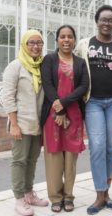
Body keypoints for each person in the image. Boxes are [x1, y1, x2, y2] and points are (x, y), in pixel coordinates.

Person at [73, 5, 112, 215]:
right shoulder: (84, 44)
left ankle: (107, 192)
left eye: (111, 20)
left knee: (111, 147)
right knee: (97, 146)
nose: (106, 23)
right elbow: (73, 68)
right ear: (96, 21)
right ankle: (99, 195)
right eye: (103, 19)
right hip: (93, 102)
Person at [40, 25, 89, 213]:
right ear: (57, 40)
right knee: (53, 158)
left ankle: (68, 197)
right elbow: (48, 84)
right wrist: (58, 109)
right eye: (62, 36)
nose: (66, 40)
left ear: (74, 40)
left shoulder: (80, 62)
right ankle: (55, 198)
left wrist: (64, 103)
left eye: (69, 36)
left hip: (74, 115)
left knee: (70, 160)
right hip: (53, 116)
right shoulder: (49, 60)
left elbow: (83, 86)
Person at [2, 30, 50, 216]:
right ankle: (19, 198)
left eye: (39, 42)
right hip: (20, 123)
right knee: (19, 161)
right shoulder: (15, 67)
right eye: (31, 42)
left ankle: (29, 193)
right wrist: (14, 125)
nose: (35, 46)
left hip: (37, 124)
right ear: (24, 44)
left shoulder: (42, 66)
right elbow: (8, 98)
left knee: (32, 160)